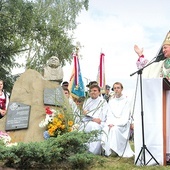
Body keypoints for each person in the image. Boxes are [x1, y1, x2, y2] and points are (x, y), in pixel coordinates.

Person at [101, 82, 134, 157]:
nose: (116, 90)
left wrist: (115, 124)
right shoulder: (111, 101)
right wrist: (109, 123)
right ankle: (107, 151)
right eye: (115, 88)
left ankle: (116, 151)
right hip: (111, 123)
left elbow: (125, 116)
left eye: (118, 88)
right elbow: (109, 114)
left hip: (122, 124)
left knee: (114, 129)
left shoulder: (126, 101)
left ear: (122, 89)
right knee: (105, 129)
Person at [79, 84, 109, 155]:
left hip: (99, 122)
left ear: (99, 92)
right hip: (87, 120)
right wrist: (85, 114)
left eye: (95, 91)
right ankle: (82, 148)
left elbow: (104, 115)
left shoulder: (103, 102)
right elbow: (84, 113)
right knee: (81, 127)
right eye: (91, 91)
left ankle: (93, 151)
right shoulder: (87, 101)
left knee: (94, 127)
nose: (93, 92)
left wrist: (97, 119)